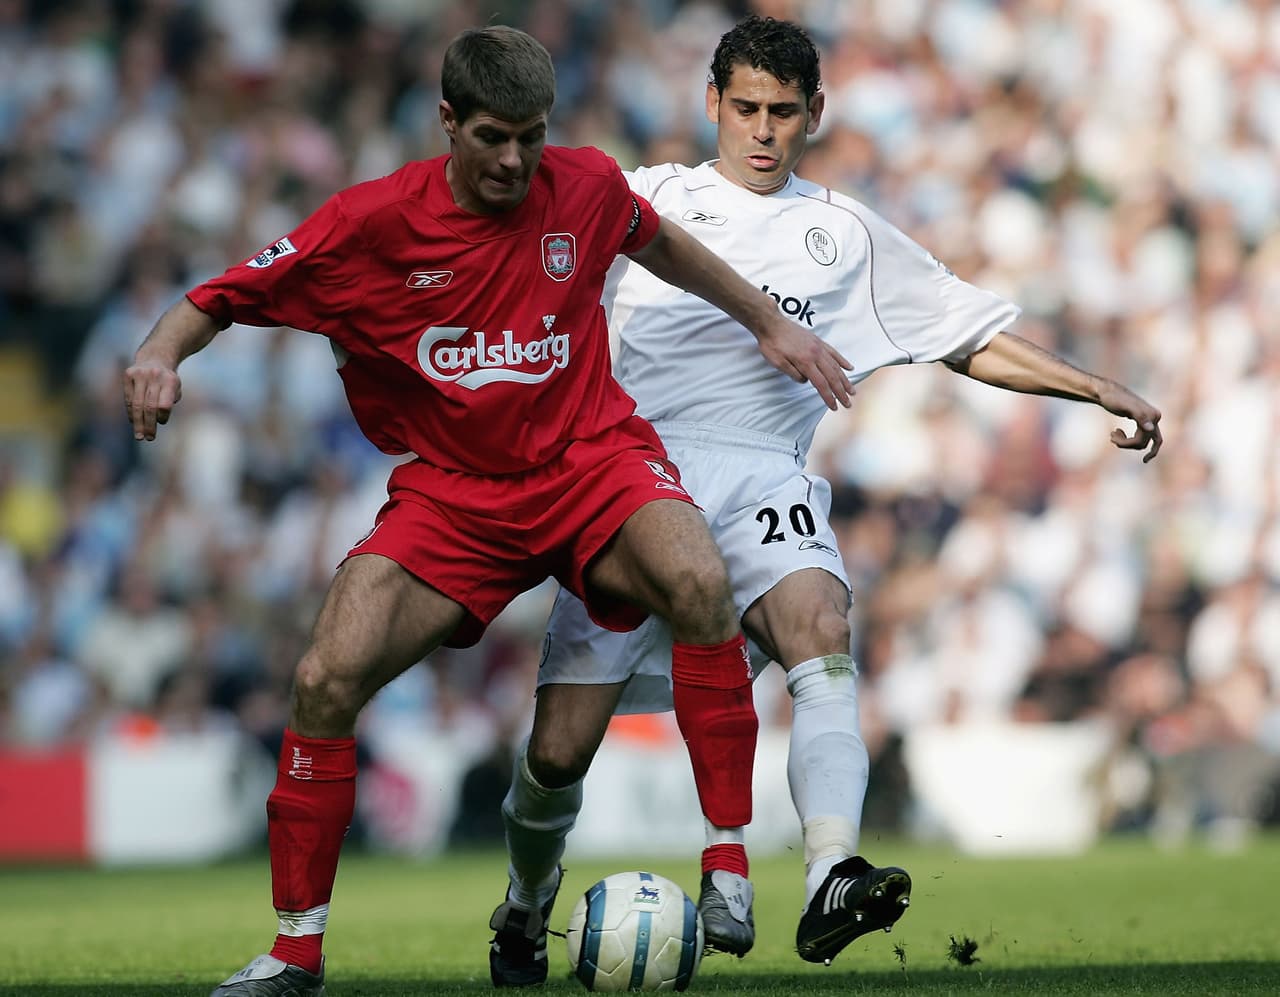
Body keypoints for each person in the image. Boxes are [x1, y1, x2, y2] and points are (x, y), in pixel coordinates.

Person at [122, 26, 856, 997]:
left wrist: (766, 322)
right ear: (445, 124)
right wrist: (159, 355)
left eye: (530, 137)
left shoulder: (584, 187)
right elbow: (220, 295)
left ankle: (726, 859)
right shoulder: (368, 223)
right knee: (325, 674)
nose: (514, 159)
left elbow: (665, 243)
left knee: (695, 573)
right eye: (492, 138)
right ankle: (295, 949)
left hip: (593, 462)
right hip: (458, 495)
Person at [495, 12, 1164, 980]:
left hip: (764, 466)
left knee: (820, 622)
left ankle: (826, 875)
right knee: (557, 750)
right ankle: (522, 905)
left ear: (815, 114)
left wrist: (1094, 384)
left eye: (783, 113)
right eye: (746, 110)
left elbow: (961, 333)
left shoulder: (841, 233)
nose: (763, 132)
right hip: (632, 471)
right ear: (712, 105)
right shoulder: (643, 200)